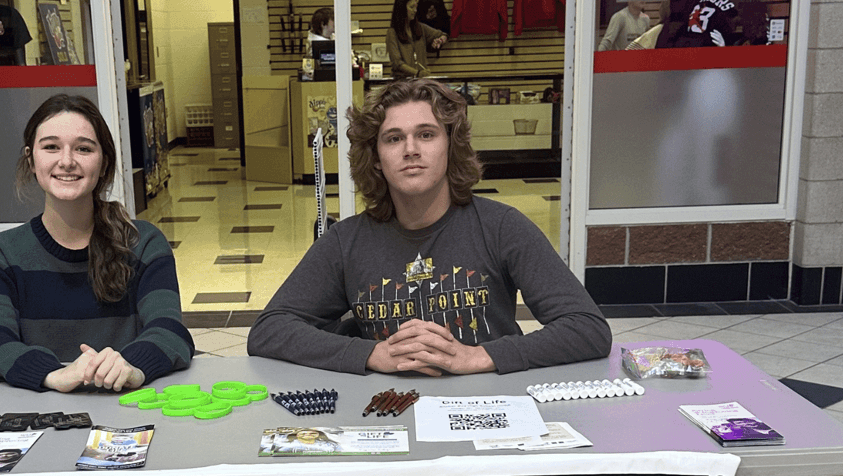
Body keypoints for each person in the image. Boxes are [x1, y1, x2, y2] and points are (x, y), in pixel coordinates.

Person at [247, 79, 612, 376]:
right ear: (375, 158)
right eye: (393, 138)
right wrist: (369, 353)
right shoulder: (347, 240)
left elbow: (588, 328)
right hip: (385, 413)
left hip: (490, 411)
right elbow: (270, 330)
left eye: (426, 134)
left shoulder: (502, 227)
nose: (410, 149)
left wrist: (480, 356)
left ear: (451, 147)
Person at [0, 94, 194, 393]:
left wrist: (131, 367)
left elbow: (170, 332)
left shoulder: (144, 243)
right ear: (31, 159)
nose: (67, 161)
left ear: (104, 162)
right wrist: (52, 375)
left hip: (129, 407)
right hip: (41, 411)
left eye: (83, 149)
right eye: (51, 147)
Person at [386, 0, 447, 79]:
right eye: (411, 7)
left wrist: (440, 40)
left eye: (416, 7)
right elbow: (397, 63)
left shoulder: (421, 28)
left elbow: (443, 34)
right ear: (401, 8)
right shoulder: (392, 33)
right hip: (402, 84)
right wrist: (417, 73)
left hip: (420, 81)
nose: (415, 10)